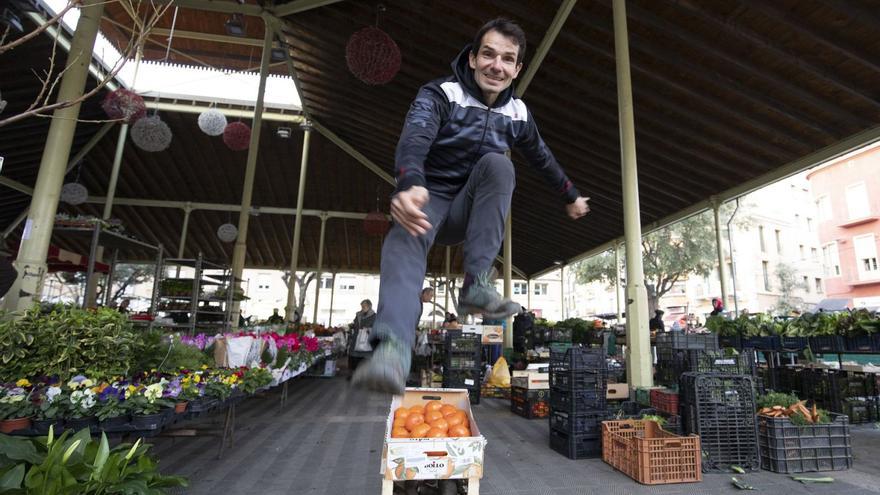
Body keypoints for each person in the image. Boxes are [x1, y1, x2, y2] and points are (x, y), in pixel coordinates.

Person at [354, 18, 590, 393]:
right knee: (402, 240)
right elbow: (415, 137)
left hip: (468, 208)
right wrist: (410, 183)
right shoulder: (441, 94)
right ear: (472, 59)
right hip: (428, 199)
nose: (497, 66)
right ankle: (392, 351)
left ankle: (477, 284)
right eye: (489, 54)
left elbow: (543, 159)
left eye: (507, 59)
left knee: (500, 163)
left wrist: (571, 195)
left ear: (517, 69)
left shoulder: (517, 114)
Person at [348, 299, 377, 377]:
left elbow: (376, 328)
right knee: (354, 357)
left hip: (366, 340)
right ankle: (354, 375)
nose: (362, 307)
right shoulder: (358, 315)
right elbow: (355, 324)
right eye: (362, 306)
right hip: (356, 338)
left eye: (364, 306)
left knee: (366, 358)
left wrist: (369, 329)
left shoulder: (374, 316)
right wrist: (352, 326)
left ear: (369, 306)